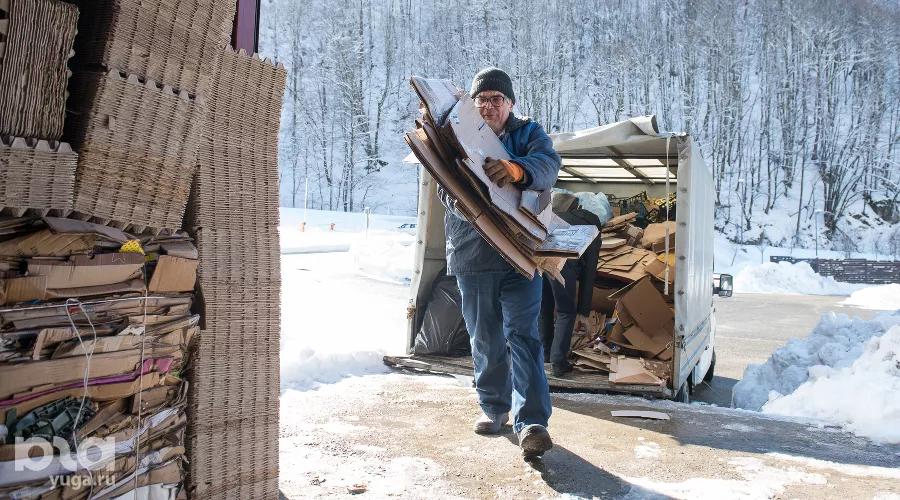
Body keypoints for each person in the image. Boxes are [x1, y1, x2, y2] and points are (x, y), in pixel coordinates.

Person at [437, 67, 562, 458]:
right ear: (474, 104)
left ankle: (533, 422)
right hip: (473, 254)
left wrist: (517, 169)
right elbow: (442, 181)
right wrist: (460, 202)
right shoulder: (456, 132)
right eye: (483, 99)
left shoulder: (528, 133)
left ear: (510, 103)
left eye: (497, 99)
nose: (489, 105)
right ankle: (494, 408)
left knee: (523, 335)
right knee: (485, 338)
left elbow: (549, 166)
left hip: (519, 252)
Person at [538, 193, 604, 377]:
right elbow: (589, 273)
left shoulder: (549, 219)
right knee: (566, 312)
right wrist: (583, 313)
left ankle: (546, 354)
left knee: (544, 309)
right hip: (563, 267)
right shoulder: (591, 227)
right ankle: (558, 362)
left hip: (540, 262)